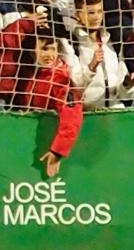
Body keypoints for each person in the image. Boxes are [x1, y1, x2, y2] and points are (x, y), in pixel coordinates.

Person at [18, 29, 84, 178]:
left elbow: (72, 116)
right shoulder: (31, 76)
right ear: (32, 52)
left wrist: (57, 151)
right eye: (44, 49)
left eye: (53, 49)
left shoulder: (61, 78)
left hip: (50, 149)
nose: (49, 54)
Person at [59, 0, 129, 109]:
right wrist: (91, 67)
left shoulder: (113, 40)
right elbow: (76, 87)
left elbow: (125, 94)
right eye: (91, 12)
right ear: (77, 15)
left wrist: (128, 84)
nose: (96, 17)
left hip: (116, 110)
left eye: (99, 11)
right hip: (87, 113)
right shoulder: (70, 43)